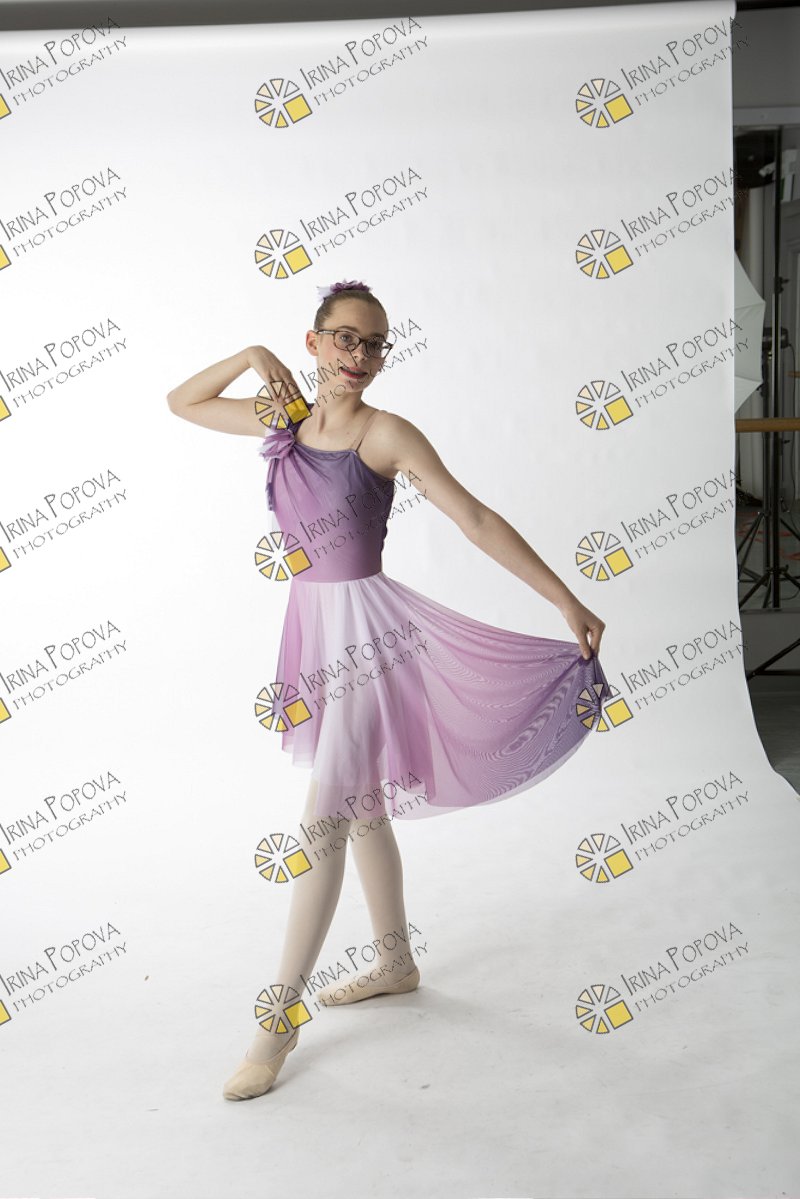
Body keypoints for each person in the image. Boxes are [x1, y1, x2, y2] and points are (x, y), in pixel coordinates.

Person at [166, 279, 611, 1102]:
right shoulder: (283, 418)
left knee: (325, 816)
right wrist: (253, 354)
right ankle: (396, 962)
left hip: (367, 643)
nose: (360, 356)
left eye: (374, 343)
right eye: (345, 338)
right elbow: (182, 402)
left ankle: (277, 1019)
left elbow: (475, 519)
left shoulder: (386, 433)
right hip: (312, 627)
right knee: (363, 803)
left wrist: (565, 599)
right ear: (313, 342)